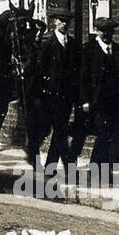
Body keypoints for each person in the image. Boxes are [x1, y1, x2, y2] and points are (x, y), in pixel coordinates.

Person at [79, 18, 119, 169]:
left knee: (115, 134)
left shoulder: (118, 51)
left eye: (110, 31)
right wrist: (84, 100)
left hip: (115, 101)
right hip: (97, 101)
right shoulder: (88, 50)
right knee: (103, 134)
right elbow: (83, 76)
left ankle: (106, 169)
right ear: (96, 31)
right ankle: (96, 168)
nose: (107, 34)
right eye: (103, 31)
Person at [33, 9, 80, 170]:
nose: (64, 24)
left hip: (66, 95)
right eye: (61, 21)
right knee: (60, 129)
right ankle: (67, 166)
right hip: (50, 95)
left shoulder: (73, 44)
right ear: (55, 22)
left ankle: (51, 167)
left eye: (67, 21)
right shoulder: (47, 44)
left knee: (60, 130)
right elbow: (39, 71)